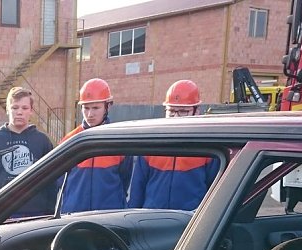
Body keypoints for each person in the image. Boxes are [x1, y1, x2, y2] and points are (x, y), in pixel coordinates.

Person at [128, 80, 219, 210]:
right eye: (171, 111)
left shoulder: (208, 149)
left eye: (183, 111)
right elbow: (137, 189)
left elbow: (214, 192)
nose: (175, 117)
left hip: (188, 221)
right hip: (151, 220)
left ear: (197, 110)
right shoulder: (151, 145)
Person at [0, 87, 55, 216]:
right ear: (7, 109)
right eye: (15, 107)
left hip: (36, 213)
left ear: (31, 111)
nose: (19, 112)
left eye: (24, 108)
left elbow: (52, 179)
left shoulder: (42, 141)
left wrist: (52, 211)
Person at [60, 78, 132, 212]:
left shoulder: (120, 141)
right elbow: (60, 181)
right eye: (86, 108)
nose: (90, 114)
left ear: (108, 106)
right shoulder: (69, 140)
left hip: (109, 215)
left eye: (95, 108)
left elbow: (125, 178)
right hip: (74, 215)